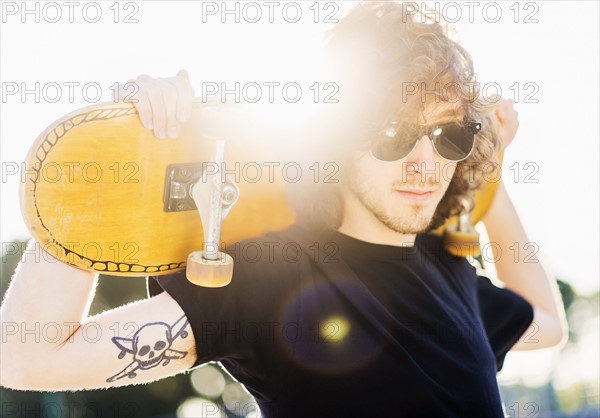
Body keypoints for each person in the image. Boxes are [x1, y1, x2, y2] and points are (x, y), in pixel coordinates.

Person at [1, 2, 567, 417]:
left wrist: (491, 177)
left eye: (449, 135)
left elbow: (549, 324)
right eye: (394, 133)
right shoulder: (270, 277)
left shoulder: (452, 274)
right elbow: (26, 358)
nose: (427, 163)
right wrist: (113, 157)